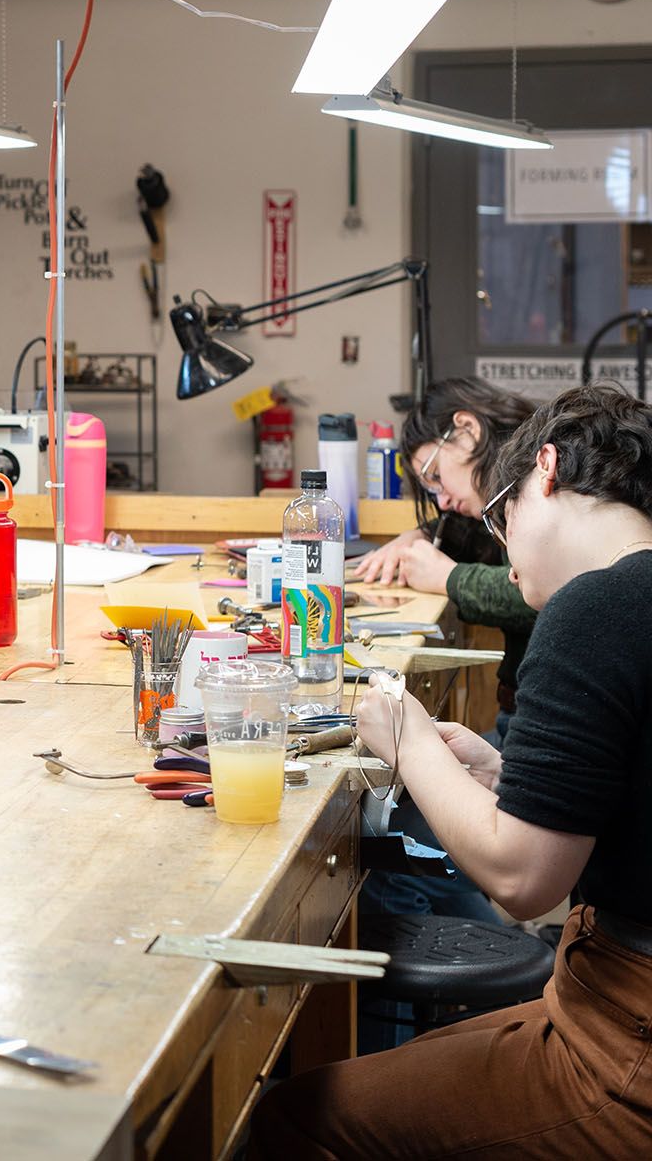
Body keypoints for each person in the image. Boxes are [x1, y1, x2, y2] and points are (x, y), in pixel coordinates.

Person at [249, 384, 652, 1159]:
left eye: (503, 515)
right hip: (606, 994)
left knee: (298, 1117)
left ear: (547, 468)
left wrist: (409, 742)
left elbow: (522, 874)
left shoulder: (595, 607)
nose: (499, 545)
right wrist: (507, 775)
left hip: (624, 1043)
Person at [355, 378, 538, 742]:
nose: (441, 500)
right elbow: (464, 532)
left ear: (467, 430)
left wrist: (448, 578)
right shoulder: (506, 496)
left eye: (436, 476)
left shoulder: (535, 488)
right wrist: (420, 535)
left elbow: (538, 592)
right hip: (522, 713)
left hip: (538, 724)